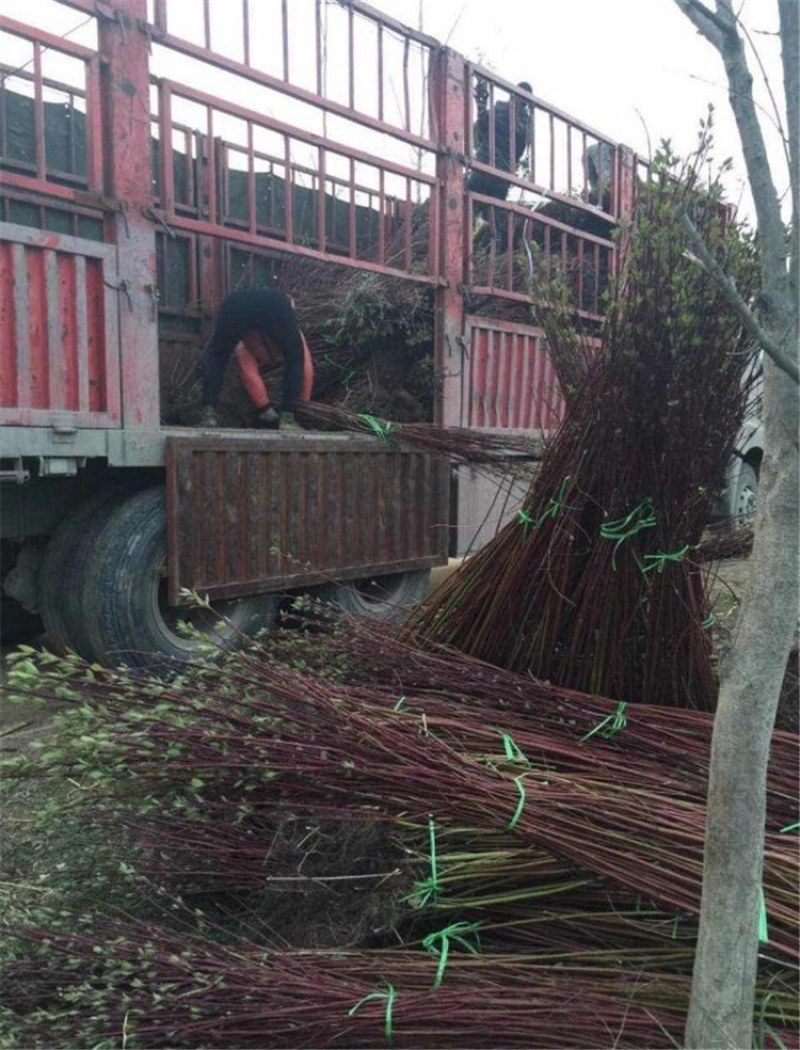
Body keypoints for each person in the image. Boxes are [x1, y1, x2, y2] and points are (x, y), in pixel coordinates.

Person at [198, 287, 314, 429]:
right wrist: (303, 407)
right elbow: (305, 366)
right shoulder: (288, 324)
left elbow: (246, 371)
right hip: (273, 303)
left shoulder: (242, 340)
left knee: (218, 357)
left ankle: (208, 414)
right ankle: (288, 418)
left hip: (234, 303)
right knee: (295, 359)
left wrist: (265, 409)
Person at [467, 80, 532, 249]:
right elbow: (520, 152)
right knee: (494, 214)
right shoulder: (525, 125)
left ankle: (460, 246)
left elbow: (482, 126)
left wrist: (481, 103)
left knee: (467, 207)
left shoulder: (500, 110)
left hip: (484, 165)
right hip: (502, 174)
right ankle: (495, 249)